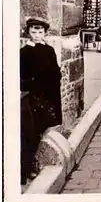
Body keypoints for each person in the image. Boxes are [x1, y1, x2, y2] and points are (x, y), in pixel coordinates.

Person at [20, 17, 62, 184]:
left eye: (40, 31)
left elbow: (56, 72)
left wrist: (53, 81)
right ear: (28, 33)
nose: (37, 34)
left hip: (49, 96)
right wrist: (33, 83)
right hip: (34, 98)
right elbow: (22, 77)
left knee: (47, 127)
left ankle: (41, 158)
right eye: (33, 31)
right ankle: (29, 166)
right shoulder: (24, 52)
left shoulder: (49, 50)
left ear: (45, 33)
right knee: (31, 132)